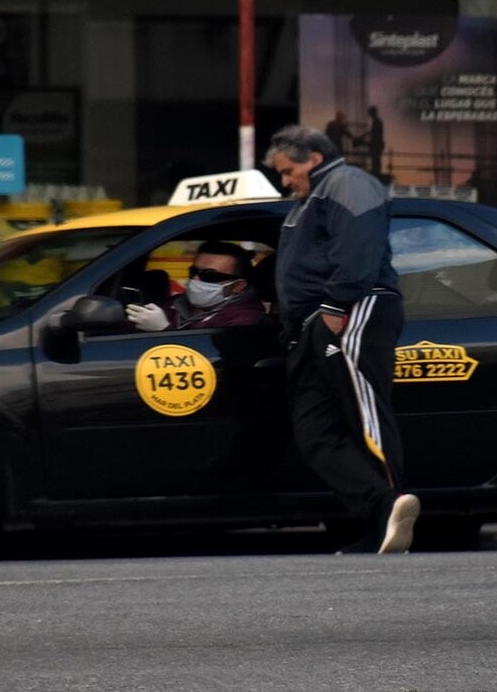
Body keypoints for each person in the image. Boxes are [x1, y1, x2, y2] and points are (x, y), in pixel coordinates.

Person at [264, 124, 418, 554]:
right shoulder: (310, 196)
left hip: (353, 310)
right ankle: (383, 514)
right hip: (317, 323)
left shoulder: (348, 182)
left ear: (313, 158)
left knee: (366, 415)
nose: (285, 180)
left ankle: (393, 506)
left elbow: (359, 251)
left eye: (288, 170)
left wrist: (335, 307)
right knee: (314, 431)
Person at [125, 240, 269, 331]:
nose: (195, 279)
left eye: (209, 276)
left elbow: (207, 358)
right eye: (193, 271)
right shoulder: (172, 305)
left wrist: (165, 330)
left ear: (238, 286)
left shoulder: (246, 321)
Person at [364, 106, 385, 177]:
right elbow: (373, 133)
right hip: (377, 144)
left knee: (375, 159)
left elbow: (374, 133)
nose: (369, 115)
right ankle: (376, 172)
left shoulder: (376, 121)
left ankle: (376, 173)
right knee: (376, 159)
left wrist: (365, 137)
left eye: (370, 113)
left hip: (376, 144)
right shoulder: (377, 121)